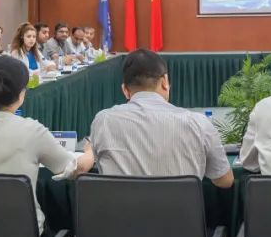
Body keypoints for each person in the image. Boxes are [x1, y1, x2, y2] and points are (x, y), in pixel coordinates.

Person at [0, 56, 94, 231]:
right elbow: (76, 169)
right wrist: (91, 151)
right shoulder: (32, 131)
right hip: (20, 236)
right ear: (22, 94)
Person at [89, 49, 233, 188]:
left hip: (120, 213)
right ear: (165, 81)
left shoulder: (103, 121)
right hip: (180, 213)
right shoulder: (198, 123)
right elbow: (225, 181)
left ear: (125, 90)